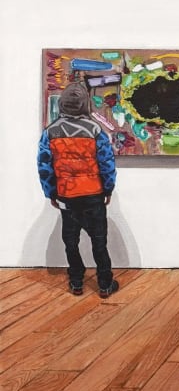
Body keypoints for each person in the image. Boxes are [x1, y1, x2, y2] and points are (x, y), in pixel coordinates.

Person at [37, 82, 119, 298]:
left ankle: (76, 281)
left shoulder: (50, 131)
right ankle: (104, 283)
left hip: (67, 196)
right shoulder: (95, 130)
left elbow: (44, 166)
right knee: (99, 241)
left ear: (63, 104)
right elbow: (107, 163)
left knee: (70, 241)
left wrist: (51, 193)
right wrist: (108, 188)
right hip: (94, 195)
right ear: (86, 104)